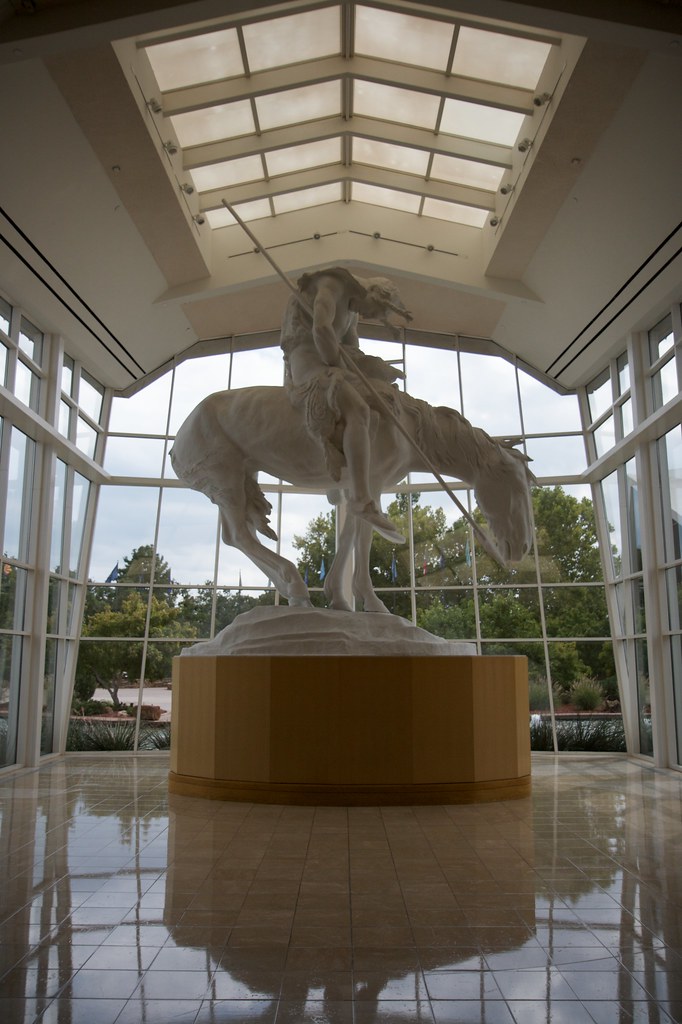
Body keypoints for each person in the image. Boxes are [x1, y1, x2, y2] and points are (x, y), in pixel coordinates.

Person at [280, 267, 412, 544]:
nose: (365, 315)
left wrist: (374, 367)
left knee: (377, 396)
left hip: (330, 361)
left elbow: (351, 349)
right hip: (307, 360)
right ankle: (361, 498)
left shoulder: (352, 311)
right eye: (372, 310)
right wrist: (342, 370)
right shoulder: (331, 286)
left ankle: (347, 466)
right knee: (358, 409)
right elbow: (322, 329)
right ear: (374, 294)